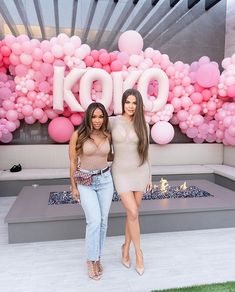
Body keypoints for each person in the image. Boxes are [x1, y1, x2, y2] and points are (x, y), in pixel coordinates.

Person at [109, 88, 152, 276]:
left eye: (134, 103)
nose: (131, 106)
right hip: (120, 172)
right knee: (133, 211)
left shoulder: (144, 125)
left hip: (140, 171)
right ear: (123, 103)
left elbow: (147, 153)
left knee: (131, 214)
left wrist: (150, 176)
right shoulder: (112, 121)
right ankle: (139, 253)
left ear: (138, 104)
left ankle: (125, 247)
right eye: (128, 102)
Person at [69, 102, 114, 280]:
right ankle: (91, 260)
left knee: (103, 223)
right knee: (94, 221)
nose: (97, 120)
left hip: (105, 180)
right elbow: (73, 162)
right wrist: (73, 186)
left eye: (100, 116)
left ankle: (97, 258)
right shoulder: (77, 135)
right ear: (88, 117)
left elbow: (110, 156)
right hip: (85, 180)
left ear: (104, 118)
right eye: (94, 116)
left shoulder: (108, 135)